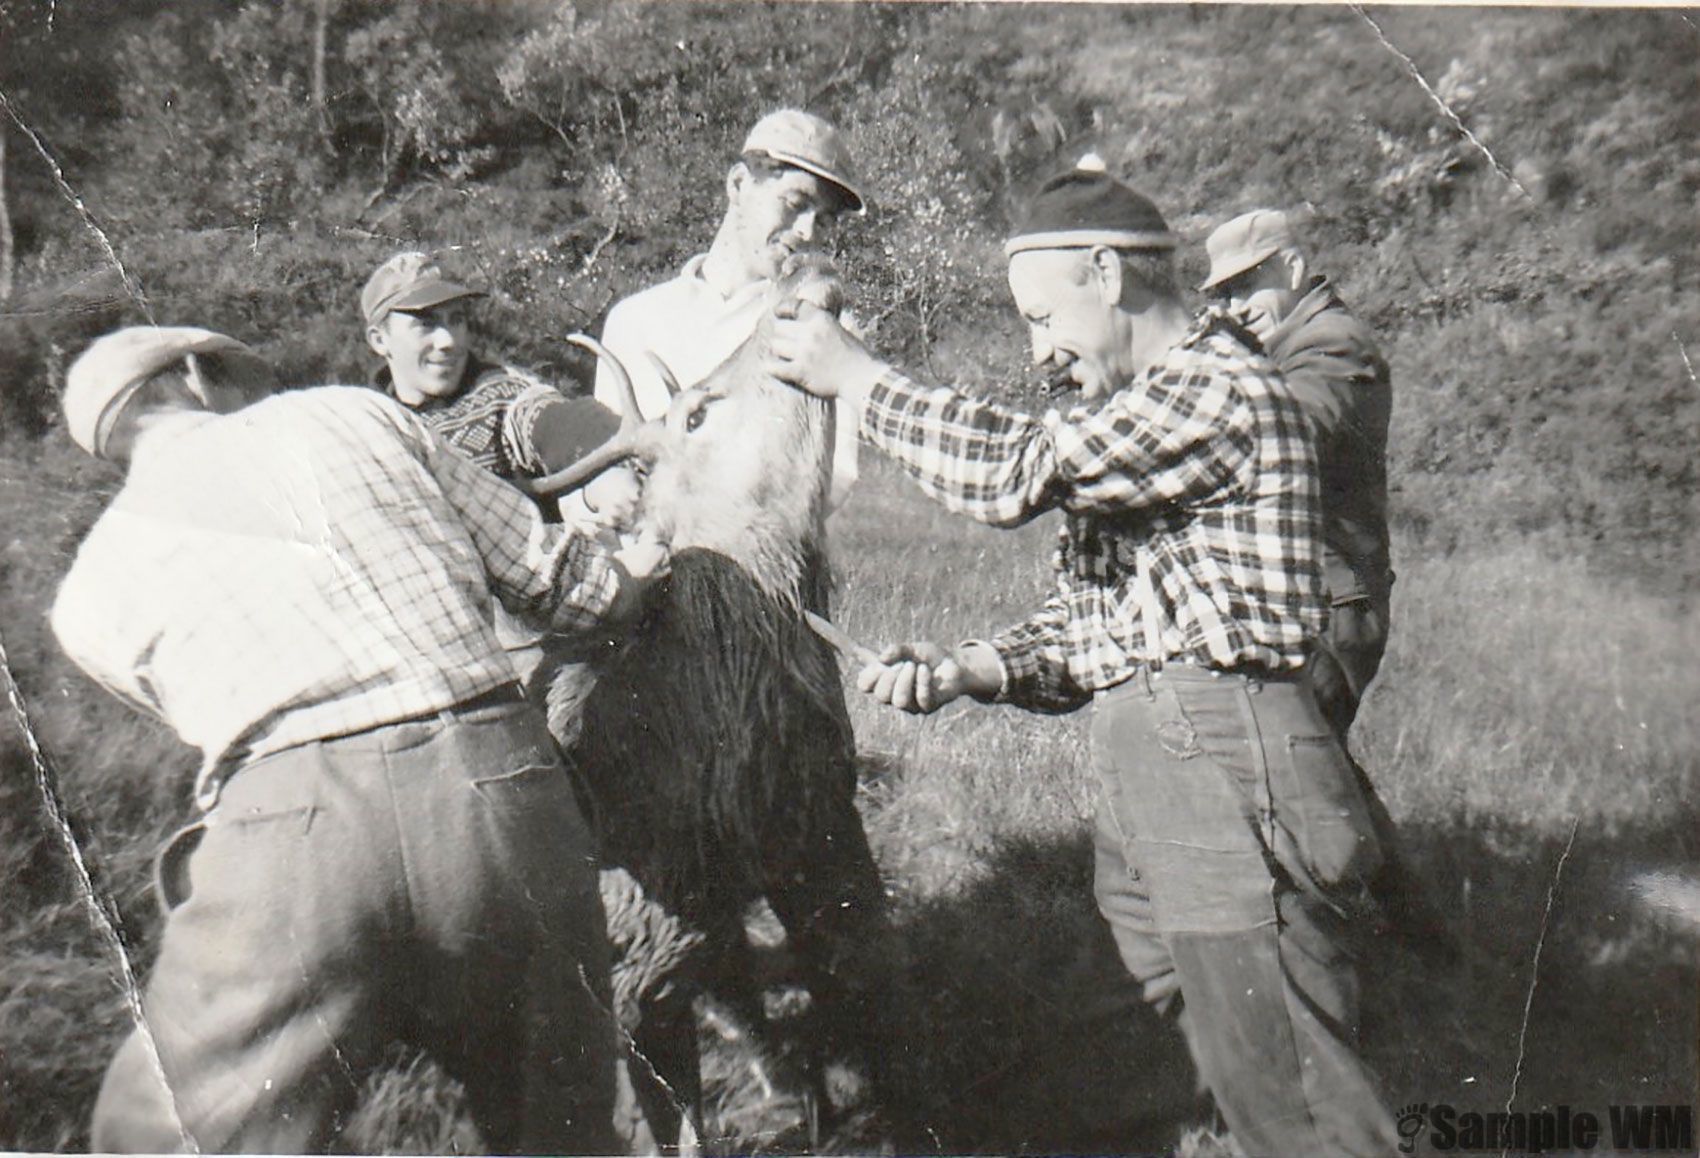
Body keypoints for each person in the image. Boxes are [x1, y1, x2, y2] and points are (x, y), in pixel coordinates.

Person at [767, 165, 1400, 1156]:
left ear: (1105, 273)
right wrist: (962, 666)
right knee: (1165, 1042)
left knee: (1287, 1081)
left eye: (1040, 316)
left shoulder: (1217, 389)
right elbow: (1084, 631)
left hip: (1224, 752)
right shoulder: (1147, 413)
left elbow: (1019, 472)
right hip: (1156, 756)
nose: (1039, 350)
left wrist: (860, 380)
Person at [52, 325, 659, 1153]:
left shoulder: (84, 597)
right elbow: (563, 585)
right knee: (558, 1122)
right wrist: (638, 574)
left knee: (171, 1135)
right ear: (195, 375)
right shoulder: (354, 415)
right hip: (497, 795)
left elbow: (205, 731)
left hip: (289, 839)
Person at [362, 250, 664, 682]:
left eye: (457, 319)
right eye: (426, 323)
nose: (448, 341)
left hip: (530, 645)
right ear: (379, 340)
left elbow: (547, 419)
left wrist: (606, 475)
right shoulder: (368, 425)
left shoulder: (499, 394)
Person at [596, 107, 866, 508]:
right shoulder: (635, 319)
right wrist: (600, 495)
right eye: (795, 203)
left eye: (824, 221)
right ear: (738, 185)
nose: (807, 231)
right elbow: (600, 462)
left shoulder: (826, 334)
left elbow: (832, 483)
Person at [1200, 208, 1393, 739]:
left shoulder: (1331, 343)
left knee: (1297, 765)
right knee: (1294, 770)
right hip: (1309, 597)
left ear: (1289, 268)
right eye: (1224, 295)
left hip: (1327, 604)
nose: (1235, 308)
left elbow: (1283, 439)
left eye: (1246, 286)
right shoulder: (1280, 349)